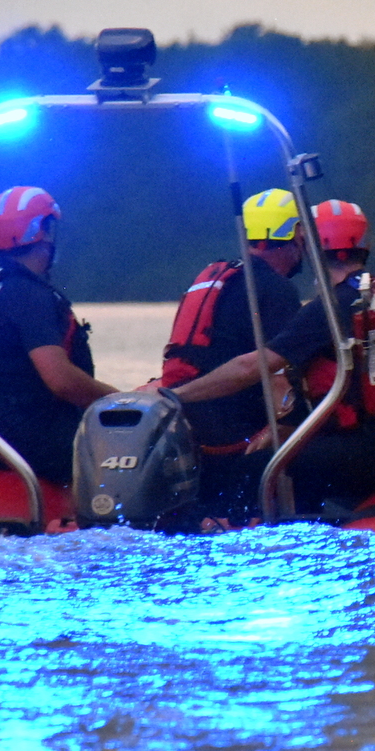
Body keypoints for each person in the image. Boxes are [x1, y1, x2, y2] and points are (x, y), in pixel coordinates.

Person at [172, 199, 375, 517]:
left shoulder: (328, 308)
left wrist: (176, 394)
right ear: (365, 244)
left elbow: (250, 366)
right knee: (307, 454)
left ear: (310, 247)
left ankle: (236, 530)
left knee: (254, 467)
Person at [0, 185, 118, 484]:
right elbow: (62, 381)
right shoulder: (28, 295)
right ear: (44, 231)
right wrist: (119, 401)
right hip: (37, 441)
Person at [159, 188, 306, 517]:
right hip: (240, 445)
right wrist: (286, 426)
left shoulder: (216, 278)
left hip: (194, 436)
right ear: (296, 233)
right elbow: (283, 376)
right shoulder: (276, 290)